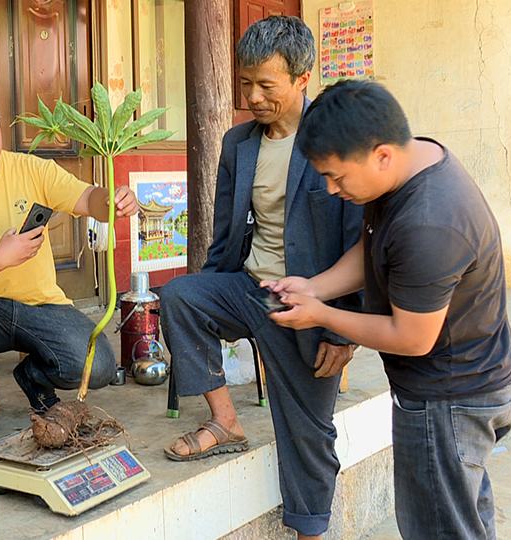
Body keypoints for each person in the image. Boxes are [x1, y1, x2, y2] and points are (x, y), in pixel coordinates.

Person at [267, 80, 511, 540]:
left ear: (381, 154)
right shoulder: (410, 161)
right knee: (462, 524)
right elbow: (371, 250)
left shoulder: (430, 220)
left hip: (450, 400)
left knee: (439, 530)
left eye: (337, 177)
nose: (330, 188)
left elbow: (412, 336)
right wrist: (315, 288)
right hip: (469, 383)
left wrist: (321, 316)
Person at [158, 16, 363, 539]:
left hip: (309, 305)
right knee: (180, 296)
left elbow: (356, 242)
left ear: (301, 79)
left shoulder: (338, 140)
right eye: (245, 83)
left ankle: (311, 530)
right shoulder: (239, 144)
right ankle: (225, 421)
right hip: (249, 286)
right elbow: (226, 232)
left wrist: (343, 331)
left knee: (308, 432)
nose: (252, 96)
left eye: (265, 85)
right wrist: (210, 290)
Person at [0, 79, 139, 443]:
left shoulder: (30, 169)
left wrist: (115, 202)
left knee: (99, 366)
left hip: (41, 304)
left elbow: (87, 198)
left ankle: (34, 378)